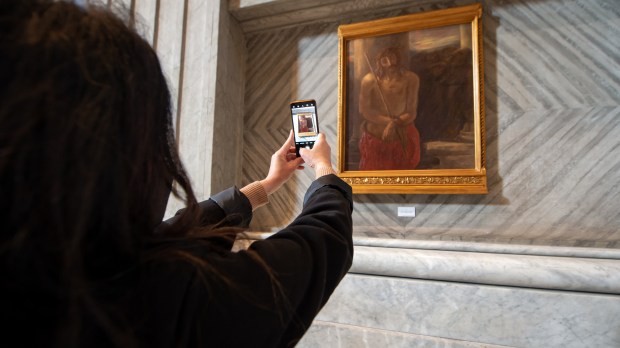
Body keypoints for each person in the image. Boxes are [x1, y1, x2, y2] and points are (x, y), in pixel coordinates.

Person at [0, 1, 353, 347]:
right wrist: (323, 169)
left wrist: (267, 184)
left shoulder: (61, 268)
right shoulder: (160, 298)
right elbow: (321, 244)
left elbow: (179, 231)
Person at [358, 46, 421, 170]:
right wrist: (389, 122)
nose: (390, 64)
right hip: (375, 134)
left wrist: (394, 124)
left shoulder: (411, 79)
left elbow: (411, 112)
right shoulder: (369, 80)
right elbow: (365, 111)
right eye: (385, 60)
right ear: (379, 61)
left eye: (393, 59)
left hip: (402, 133)